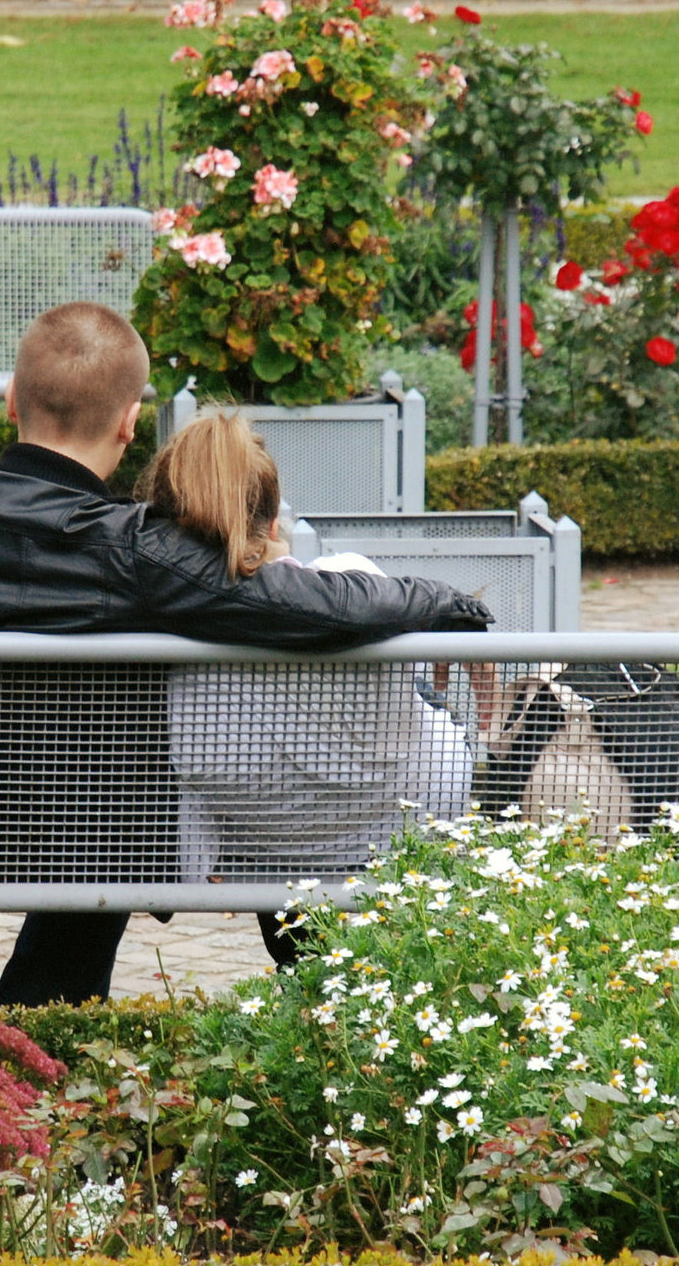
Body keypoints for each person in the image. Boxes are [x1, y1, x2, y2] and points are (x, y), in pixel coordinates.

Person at [0, 302, 491, 1006]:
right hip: (67, 836)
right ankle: (40, 1022)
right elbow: (305, 603)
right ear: (131, 422)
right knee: (118, 822)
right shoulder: (133, 548)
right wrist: (449, 602)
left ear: (12, 400)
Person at [135, 412, 477, 964]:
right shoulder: (349, 581)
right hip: (395, 842)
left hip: (267, 856)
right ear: (273, 524)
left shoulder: (157, 623)